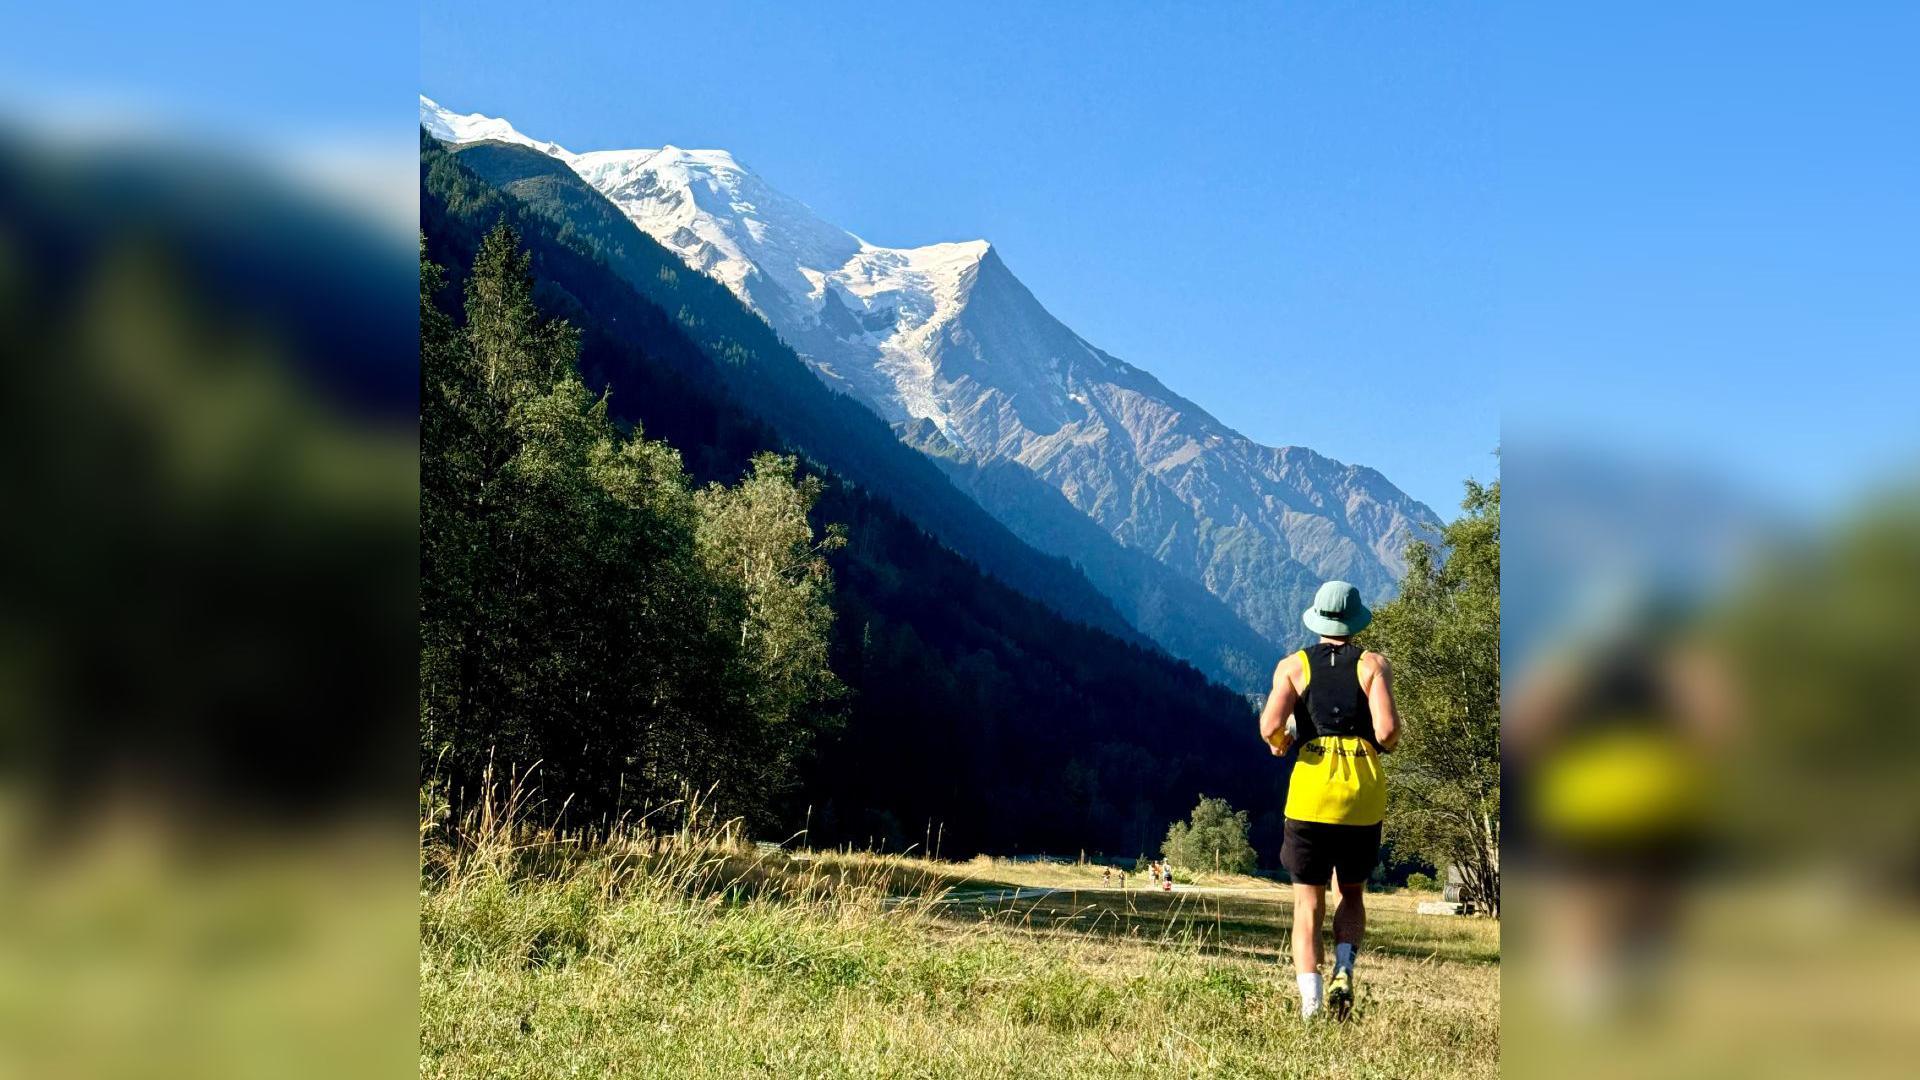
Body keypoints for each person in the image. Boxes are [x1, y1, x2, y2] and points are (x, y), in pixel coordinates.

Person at [1259, 580, 1400, 1021]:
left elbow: (1270, 727)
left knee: (1308, 902)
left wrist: (1283, 743)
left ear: (1317, 618)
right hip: (1361, 794)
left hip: (1311, 793)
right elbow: (1388, 732)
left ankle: (1311, 1005)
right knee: (1351, 891)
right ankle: (1344, 964)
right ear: (1356, 622)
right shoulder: (1373, 665)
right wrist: (1381, 748)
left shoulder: (1293, 666)